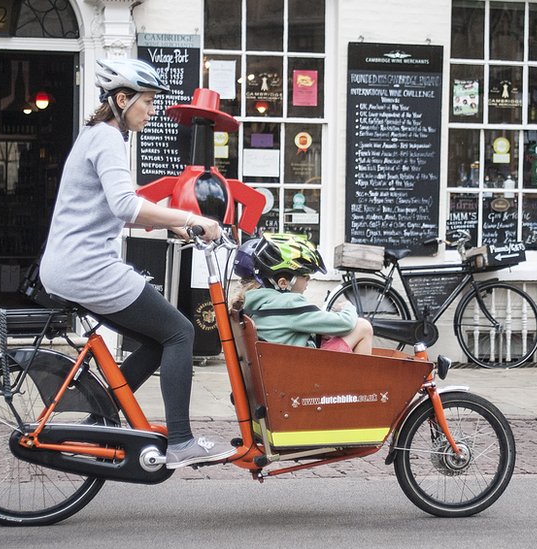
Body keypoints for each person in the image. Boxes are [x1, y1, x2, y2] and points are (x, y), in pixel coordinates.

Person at [39, 58, 236, 469]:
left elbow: (112, 210)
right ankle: (181, 441)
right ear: (122, 99)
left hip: (70, 266)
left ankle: (102, 419)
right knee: (181, 332)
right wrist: (192, 219)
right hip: (88, 268)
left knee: (155, 338)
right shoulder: (109, 138)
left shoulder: (94, 135)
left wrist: (171, 229)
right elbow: (126, 205)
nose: (151, 109)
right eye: (146, 101)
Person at [239, 233, 374, 354]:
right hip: (304, 373)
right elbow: (346, 323)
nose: (309, 280)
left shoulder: (257, 301)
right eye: (305, 276)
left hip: (282, 367)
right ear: (283, 283)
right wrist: (348, 307)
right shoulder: (289, 304)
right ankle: (361, 381)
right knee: (363, 326)